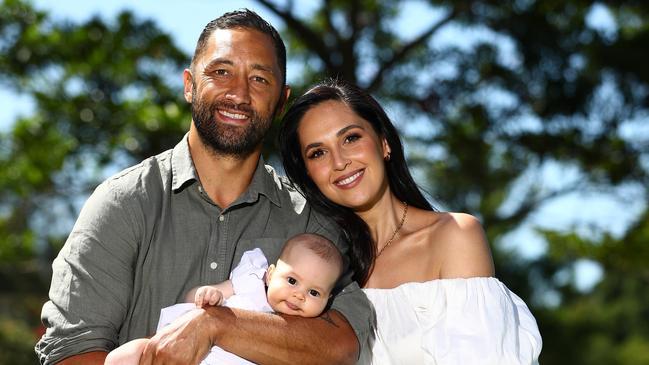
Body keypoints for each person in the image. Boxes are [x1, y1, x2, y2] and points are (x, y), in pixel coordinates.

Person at [35, 10, 373, 365]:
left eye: (259, 79)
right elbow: (70, 350)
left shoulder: (310, 222)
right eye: (221, 72)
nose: (239, 93)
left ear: (280, 102)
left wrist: (216, 324)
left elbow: (341, 345)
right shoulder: (123, 202)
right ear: (189, 84)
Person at [279, 78, 543, 364]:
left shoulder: (453, 236)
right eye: (318, 153)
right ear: (309, 176)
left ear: (384, 143)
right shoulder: (316, 264)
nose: (339, 161)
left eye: (351, 138)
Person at [105, 233, 343, 365]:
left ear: (327, 298)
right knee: (123, 356)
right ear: (270, 274)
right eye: (292, 280)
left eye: (314, 293)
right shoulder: (249, 281)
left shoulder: (307, 333)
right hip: (182, 347)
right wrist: (209, 296)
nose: (299, 295)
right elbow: (191, 299)